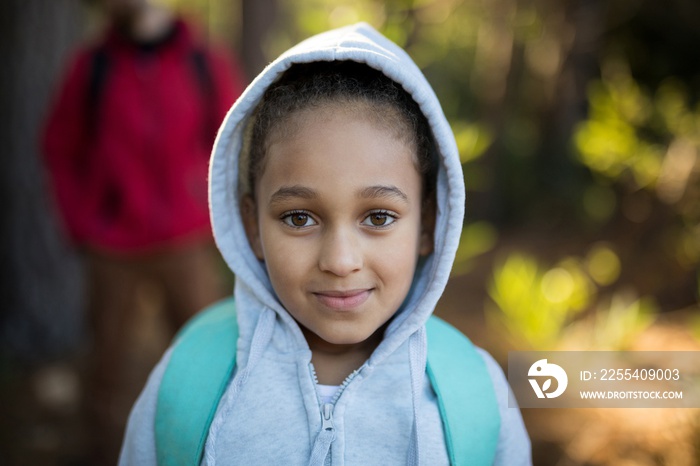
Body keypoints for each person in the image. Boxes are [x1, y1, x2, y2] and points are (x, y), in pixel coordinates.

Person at [119, 23, 531, 465]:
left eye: (378, 217)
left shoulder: (474, 395)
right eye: (299, 218)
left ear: (428, 223)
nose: (340, 261)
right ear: (252, 226)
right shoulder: (188, 381)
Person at [41, 0, 245, 461]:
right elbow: (58, 147)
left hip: (187, 240)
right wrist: (83, 222)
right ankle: (104, 454)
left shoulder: (204, 60)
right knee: (107, 369)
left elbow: (230, 142)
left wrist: (214, 214)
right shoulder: (91, 67)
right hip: (112, 243)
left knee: (209, 359)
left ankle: (207, 451)